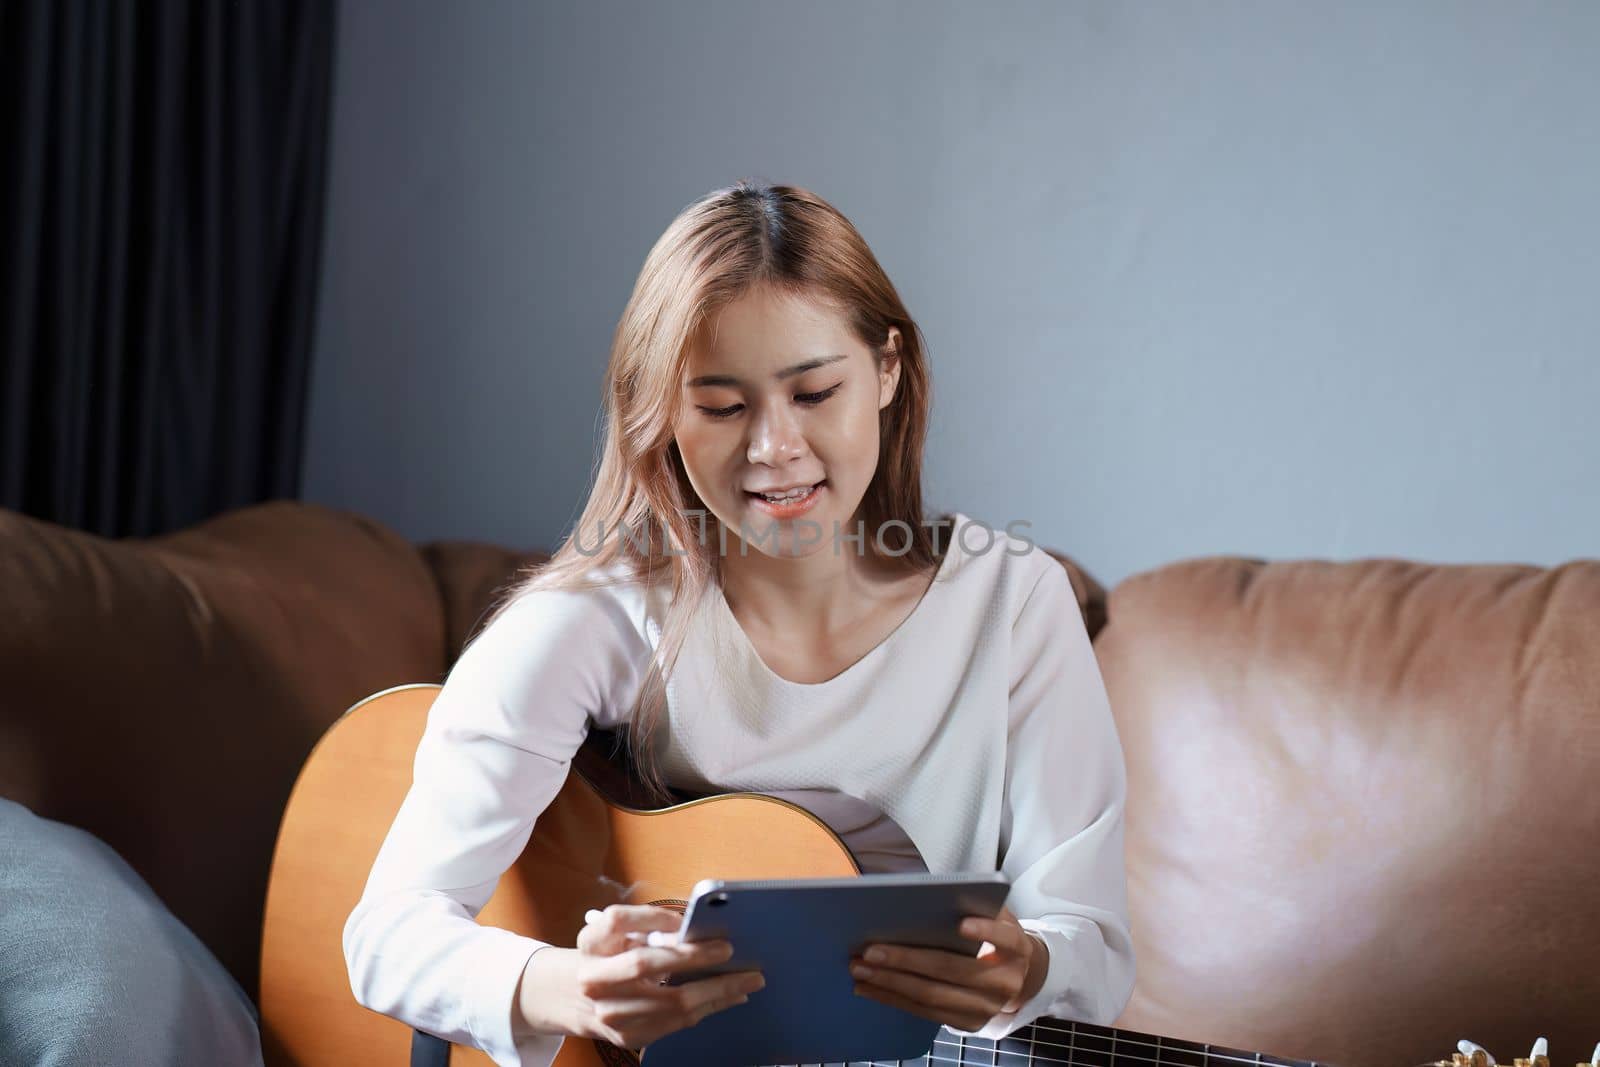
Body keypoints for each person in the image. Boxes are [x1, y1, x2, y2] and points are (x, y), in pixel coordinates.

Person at [342, 180, 1136, 1067]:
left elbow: (1092, 946)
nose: (773, 447)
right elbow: (386, 933)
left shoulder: (1014, 603)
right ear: (663, 412)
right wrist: (568, 988)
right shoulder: (598, 615)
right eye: (721, 407)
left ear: (887, 369)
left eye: (814, 392)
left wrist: (1031, 967)